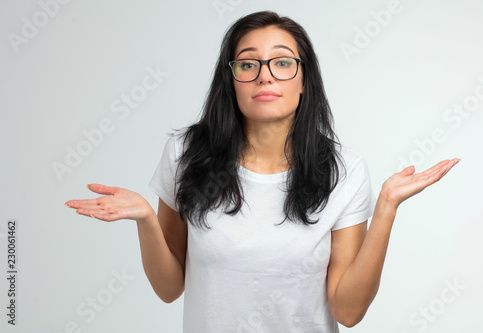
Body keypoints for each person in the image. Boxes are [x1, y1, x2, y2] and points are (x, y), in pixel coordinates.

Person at [65, 10, 460, 332]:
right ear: (231, 78)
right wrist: (146, 220)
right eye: (248, 63)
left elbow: (348, 311)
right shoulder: (185, 153)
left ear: (304, 80)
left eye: (283, 62)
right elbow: (169, 289)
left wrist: (387, 207)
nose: (265, 75)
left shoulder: (345, 171)